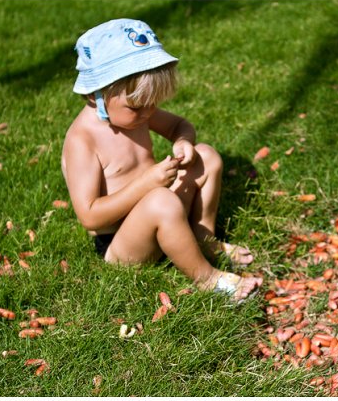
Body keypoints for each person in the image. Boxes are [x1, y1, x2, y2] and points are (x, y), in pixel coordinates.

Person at [61, 18, 262, 302]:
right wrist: (147, 184)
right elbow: (89, 215)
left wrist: (182, 142)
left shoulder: (136, 110)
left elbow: (180, 125)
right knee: (160, 200)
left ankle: (202, 238)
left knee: (206, 156)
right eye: (137, 107)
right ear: (96, 95)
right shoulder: (83, 140)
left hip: (160, 206)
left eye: (153, 104)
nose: (148, 114)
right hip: (124, 244)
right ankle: (207, 278)